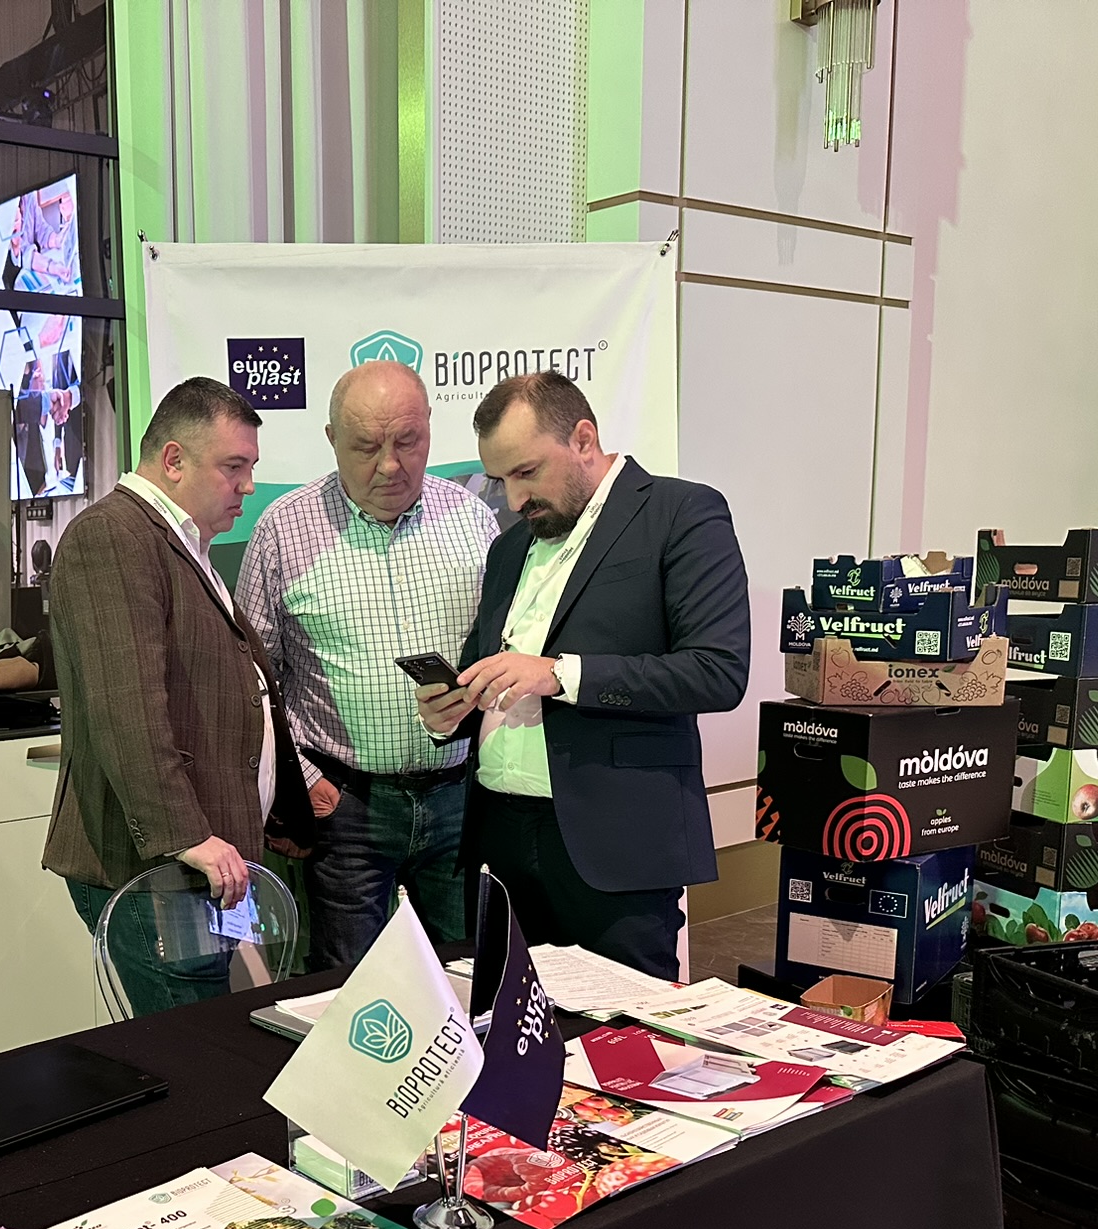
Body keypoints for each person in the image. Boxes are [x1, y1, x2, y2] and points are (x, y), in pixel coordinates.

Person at [417, 371, 748, 979]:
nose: (514, 500)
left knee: (620, 1028)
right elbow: (489, 668)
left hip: (615, 841)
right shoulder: (509, 549)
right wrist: (453, 710)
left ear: (584, 439)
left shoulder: (680, 513)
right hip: (499, 838)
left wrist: (560, 674)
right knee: (505, 1022)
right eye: (500, 480)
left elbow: (717, 670)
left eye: (526, 472)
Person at [43, 377, 314, 1015]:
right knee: (192, 1043)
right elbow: (126, 707)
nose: (248, 485)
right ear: (173, 460)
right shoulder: (114, 536)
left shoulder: (180, 544)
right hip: (155, 867)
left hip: (197, 864)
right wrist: (185, 835)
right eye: (233, 467)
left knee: (209, 1031)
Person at [235, 361, 498, 969]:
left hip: (461, 798)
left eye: (408, 441)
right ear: (331, 440)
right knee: (347, 987)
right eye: (366, 446)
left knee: (469, 975)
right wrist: (301, 776)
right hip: (343, 806)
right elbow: (251, 679)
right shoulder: (282, 530)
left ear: (430, 427)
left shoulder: (474, 520)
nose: (390, 465)